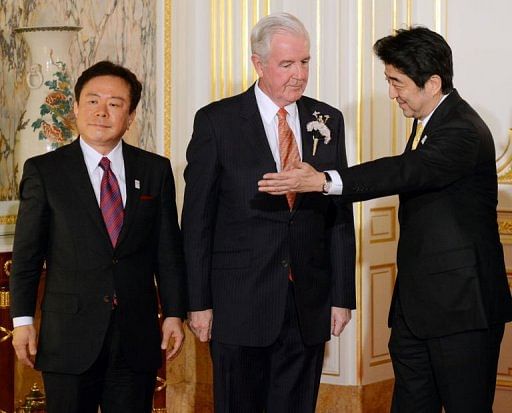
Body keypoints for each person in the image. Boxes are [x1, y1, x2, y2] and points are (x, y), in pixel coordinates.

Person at [259, 27, 512, 412]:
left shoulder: (462, 129)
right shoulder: (430, 122)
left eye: (397, 83)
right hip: (417, 312)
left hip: (463, 311)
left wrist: (325, 180)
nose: (392, 94)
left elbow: (405, 171)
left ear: (432, 83)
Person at [181, 12, 356, 413]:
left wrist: (342, 296)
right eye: (287, 64)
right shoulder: (217, 121)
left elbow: (338, 214)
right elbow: (197, 222)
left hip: (307, 302)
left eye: (305, 62)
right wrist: (199, 302)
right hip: (238, 304)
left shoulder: (326, 119)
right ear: (258, 64)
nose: (299, 74)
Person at [10, 60, 187, 413]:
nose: (101, 112)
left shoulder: (154, 170)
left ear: (131, 115)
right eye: (92, 101)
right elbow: (27, 255)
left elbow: (167, 250)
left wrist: (174, 313)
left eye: (115, 103)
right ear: (75, 108)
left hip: (135, 336)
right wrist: (23, 321)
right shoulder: (45, 171)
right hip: (69, 337)